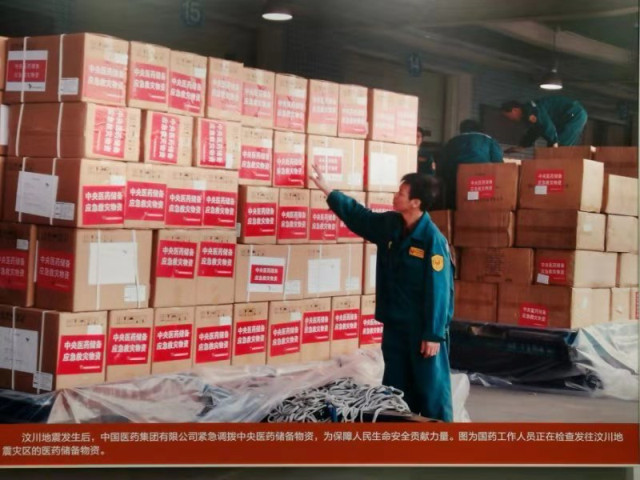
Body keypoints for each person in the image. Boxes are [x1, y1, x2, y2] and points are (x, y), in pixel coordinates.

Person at [309, 165, 454, 422]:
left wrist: (433, 334)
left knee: (431, 389)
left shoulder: (432, 241)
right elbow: (359, 217)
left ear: (416, 202)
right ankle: (399, 433)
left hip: (422, 330)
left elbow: (440, 291)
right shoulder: (391, 225)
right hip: (395, 324)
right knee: (396, 388)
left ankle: (442, 437)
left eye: (401, 193)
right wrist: (330, 191)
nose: (395, 196)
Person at [440, 119, 503, 208]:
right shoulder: (489, 141)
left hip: (455, 183)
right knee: (479, 204)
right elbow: (499, 164)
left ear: (461, 130)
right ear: (480, 129)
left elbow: (443, 164)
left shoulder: (451, 142)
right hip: (481, 183)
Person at [501, 96, 588, 153]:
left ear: (515, 110)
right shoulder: (528, 113)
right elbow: (535, 131)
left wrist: (554, 142)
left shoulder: (531, 111)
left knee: (560, 148)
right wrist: (522, 146)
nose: (510, 120)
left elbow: (546, 125)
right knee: (552, 150)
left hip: (574, 114)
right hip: (565, 118)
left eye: (508, 116)